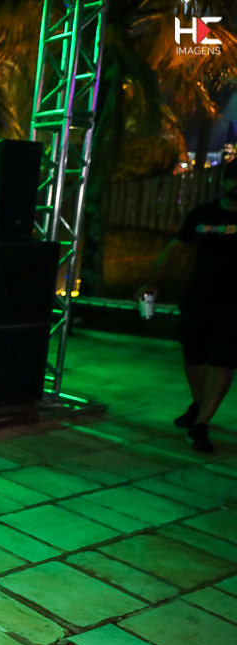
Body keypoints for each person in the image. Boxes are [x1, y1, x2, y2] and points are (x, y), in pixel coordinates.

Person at [141, 160, 237, 453]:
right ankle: (198, 403)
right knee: (194, 358)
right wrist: (153, 281)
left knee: (223, 361)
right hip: (199, 296)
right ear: (224, 181)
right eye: (233, 178)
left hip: (234, 302)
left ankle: (202, 424)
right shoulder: (203, 213)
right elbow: (176, 247)